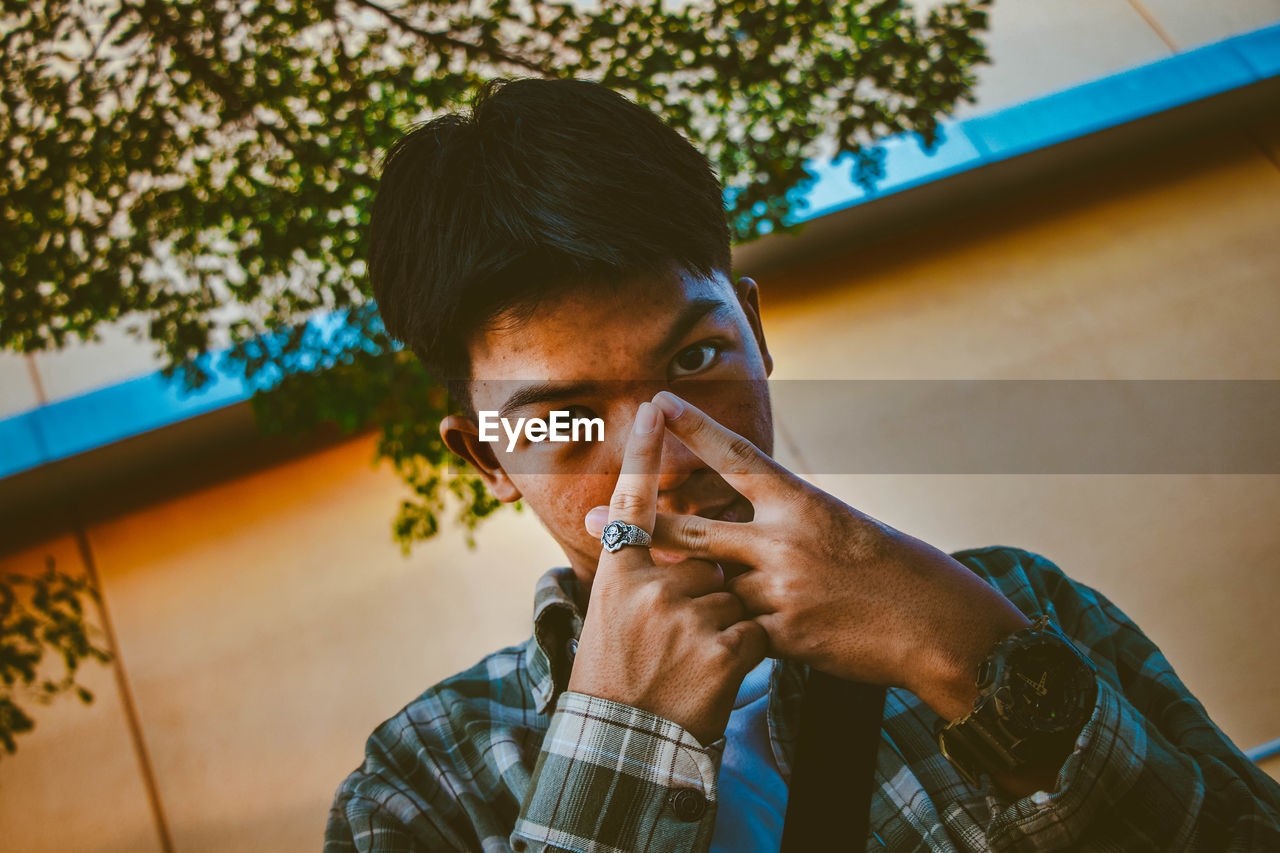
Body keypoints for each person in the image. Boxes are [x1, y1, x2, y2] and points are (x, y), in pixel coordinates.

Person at [324, 78, 1280, 852]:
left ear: (758, 329)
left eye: (696, 361)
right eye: (566, 418)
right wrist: (619, 749)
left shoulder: (1020, 606)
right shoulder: (421, 784)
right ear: (489, 455)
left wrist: (967, 653)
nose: (657, 458)